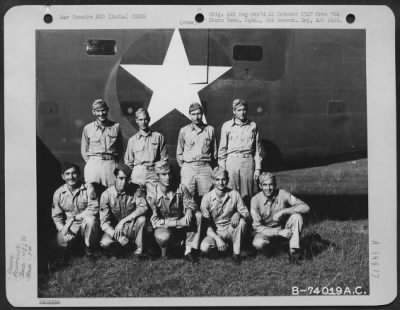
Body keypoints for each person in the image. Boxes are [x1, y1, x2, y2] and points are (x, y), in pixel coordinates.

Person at [147, 160, 202, 263]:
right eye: (163, 174)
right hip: (165, 226)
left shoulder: (180, 188)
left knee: (198, 216)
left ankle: (188, 251)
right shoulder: (152, 194)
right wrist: (177, 223)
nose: (167, 177)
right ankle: (164, 252)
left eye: (169, 174)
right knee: (163, 237)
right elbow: (154, 221)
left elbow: (192, 202)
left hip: (182, 224)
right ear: (157, 176)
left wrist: (189, 210)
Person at [251, 172, 310, 264]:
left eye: (271, 185)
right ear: (260, 186)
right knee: (257, 243)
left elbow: (305, 207)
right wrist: (278, 232)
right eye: (265, 185)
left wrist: (283, 211)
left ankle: (293, 253)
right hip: (265, 232)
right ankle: (272, 248)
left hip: (283, 229)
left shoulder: (282, 194)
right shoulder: (255, 200)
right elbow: (257, 227)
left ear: (275, 185)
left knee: (297, 217)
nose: (268, 188)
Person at [200, 167, 251, 265]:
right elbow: (206, 225)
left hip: (230, 229)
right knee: (204, 247)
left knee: (242, 222)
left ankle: (236, 254)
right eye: (217, 180)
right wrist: (217, 239)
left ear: (227, 180)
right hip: (216, 231)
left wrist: (238, 214)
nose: (221, 183)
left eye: (223, 179)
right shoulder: (207, 198)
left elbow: (247, 214)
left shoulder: (234, 194)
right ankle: (223, 251)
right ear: (213, 181)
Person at [99, 163, 150, 258]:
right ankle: (121, 247)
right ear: (115, 178)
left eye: (127, 179)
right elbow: (104, 223)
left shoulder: (135, 189)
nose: (123, 182)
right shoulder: (106, 195)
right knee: (105, 243)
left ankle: (138, 252)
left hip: (130, 227)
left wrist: (123, 221)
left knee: (142, 219)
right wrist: (117, 236)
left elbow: (144, 207)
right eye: (121, 178)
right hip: (115, 229)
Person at [218, 98, 262, 207]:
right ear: (234, 111)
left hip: (247, 161)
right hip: (231, 161)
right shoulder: (227, 126)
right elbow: (222, 149)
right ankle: (230, 220)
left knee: (247, 193)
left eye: (244, 109)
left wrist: (257, 168)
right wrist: (222, 168)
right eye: (239, 110)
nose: (242, 112)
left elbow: (257, 150)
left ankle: (246, 221)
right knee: (230, 192)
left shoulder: (253, 126)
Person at [52, 163, 100, 260]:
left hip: (85, 224)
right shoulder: (58, 193)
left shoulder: (88, 188)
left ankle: (89, 248)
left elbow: (94, 208)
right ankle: (71, 250)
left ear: (79, 174)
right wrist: (63, 230)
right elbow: (57, 217)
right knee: (59, 243)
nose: (71, 177)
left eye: (74, 173)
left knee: (91, 220)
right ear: (63, 176)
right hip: (71, 227)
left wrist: (74, 218)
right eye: (67, 174)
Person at [176, 102, 217, 201]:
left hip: (205, 167)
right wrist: (186, 166)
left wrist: (210, 167)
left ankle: (205, 216)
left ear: (202, 114)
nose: (196, 117)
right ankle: (188, 216)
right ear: (189, 115)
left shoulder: (210, 130)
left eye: (198, 114)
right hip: (189, 167)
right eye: (193, 114)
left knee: (207, 198)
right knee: (187, 197)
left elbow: (214, 152)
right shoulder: (184, 131)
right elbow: (179, 152)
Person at [81, 99, 123, 188]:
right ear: (94, 112)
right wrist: (92, 162)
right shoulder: (87, 128)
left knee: (111, 193)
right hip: (93, 164)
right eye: (98, 111)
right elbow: (84, 149)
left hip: (110, 164)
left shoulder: (116, 126)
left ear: (107, 110)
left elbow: (120, 148)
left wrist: (114, 162)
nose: (101, 113)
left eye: (103, 110)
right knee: (92, 194)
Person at [124, 108, 168, 188]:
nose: (143, 122)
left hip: (154, 173)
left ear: (149, 120)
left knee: (154, 198)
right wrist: (136, 171)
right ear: (136, 120)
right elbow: (128, 162)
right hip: (138, 173)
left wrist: (159, 172)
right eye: (140, 120)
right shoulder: (132, 140)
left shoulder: (158, 137)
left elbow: (164, 159)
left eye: (145, 119)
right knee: (137, 198)